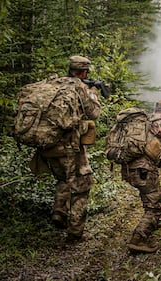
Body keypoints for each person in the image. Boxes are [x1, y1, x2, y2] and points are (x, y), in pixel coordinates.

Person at [38, 55, 102, 241]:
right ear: (83, 72)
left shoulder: (54, 85)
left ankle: (59, 212)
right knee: (83, 185)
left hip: (49, 145)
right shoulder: (80, 88)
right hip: (70, 147)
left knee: (63, 178)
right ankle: (75, 232)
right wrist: (93, 93)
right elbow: (94, 113)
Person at [123, 99, 161, 253]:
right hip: (145, 170)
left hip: (129, 168)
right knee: (156, 206)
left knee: (149, 198)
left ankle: (151, 224)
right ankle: (137, 240)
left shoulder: (144, 121)